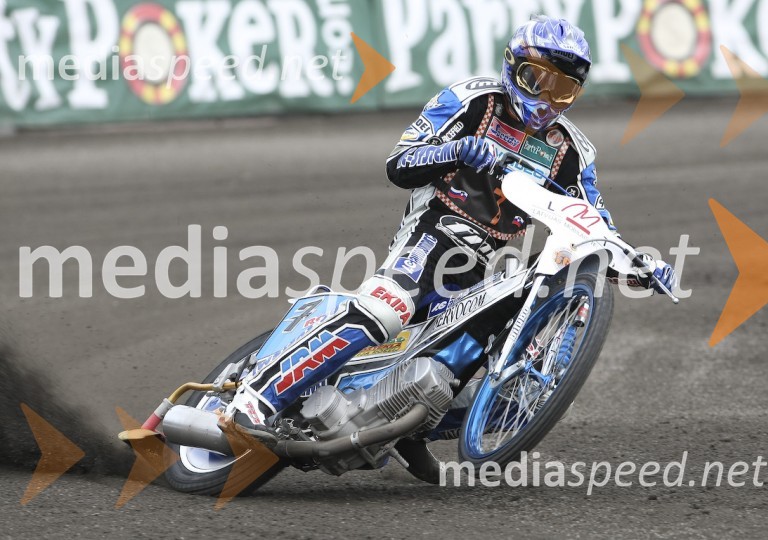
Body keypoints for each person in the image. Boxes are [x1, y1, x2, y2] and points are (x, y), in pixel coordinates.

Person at [227, 16, 676, 466]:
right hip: (431, 234)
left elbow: (594, 223)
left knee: (515, 386)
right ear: (512, 67)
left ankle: (407, 426)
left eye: (561, 90)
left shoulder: (573, 152)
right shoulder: (472, 99)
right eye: (536, 79)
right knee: (389, 307)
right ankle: (256, 398)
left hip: (484, 267)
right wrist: (456, 151)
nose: (544, 98)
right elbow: (399, 162)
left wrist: (640, 264)